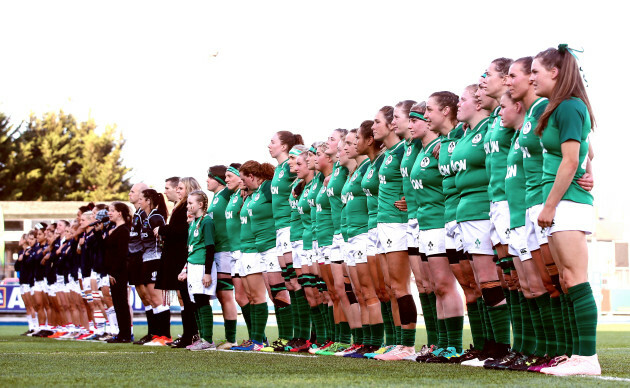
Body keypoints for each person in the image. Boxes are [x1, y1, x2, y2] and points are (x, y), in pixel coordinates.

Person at [531, 45, 600, 376]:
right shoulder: (559, 107)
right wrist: (590, 166)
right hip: (561, 201)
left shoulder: (570, 106)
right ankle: (576, 354)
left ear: (554, 73)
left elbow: (571, 159)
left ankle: (587, 357)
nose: (532, 78)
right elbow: (584, 152)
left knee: (575, 277)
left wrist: (550, 204)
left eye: (535, 72)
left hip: (568, 203)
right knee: (566, 278)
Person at [451, 83, 512, 366]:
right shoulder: (467, 133)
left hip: (485, 208)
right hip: (469, 212)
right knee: (479, 281)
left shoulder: (493, 123)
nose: (460, 104)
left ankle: (502, 346)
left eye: (464, 99)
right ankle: (490, 344)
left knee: (495, 279)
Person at [372, 105, 417, 360]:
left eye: (378, 121)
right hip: (385, 223)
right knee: (391, 287)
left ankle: (407, 346)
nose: (374, 126)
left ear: (391, 124)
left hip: (398, 223)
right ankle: (399, 342)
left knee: (400, 286)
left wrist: (412, 198)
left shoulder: (403, 149)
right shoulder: (390, 153)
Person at [156, 177, 199, 348]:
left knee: (188, 297)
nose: (178, 190)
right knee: (183, 297)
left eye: (181, 188)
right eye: (178, 188)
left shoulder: (187, 209)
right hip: (175, 256)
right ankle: (188, 334)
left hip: (182, 256)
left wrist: (163, 229)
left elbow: (183, 231)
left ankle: (192, 334)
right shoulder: (179, 207)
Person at [179, 190, 218, 351]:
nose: (188, 206)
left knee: (202, 300)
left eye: (190, 203)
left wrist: (207, 272)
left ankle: (208, 340)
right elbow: (191, 249)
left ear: (200, 204)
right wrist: (185, 268)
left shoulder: (207, 222)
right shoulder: (193, 222)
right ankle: (201, 338)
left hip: (203, 266)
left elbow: (209, 248)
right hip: (193, 265)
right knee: (195, 302)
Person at [205, 166, 239, 349]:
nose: (207, 181)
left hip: (226, 248)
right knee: (221, 294)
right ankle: (230, 337)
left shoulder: (226, 194)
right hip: (217, 249)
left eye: (209, 177)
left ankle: (232, 338)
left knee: (226, 294)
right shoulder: (216, 198)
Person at [137, 188, 170, 346]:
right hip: (147, 260)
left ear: (148, 201)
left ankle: (165, 336)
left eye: (141, 199)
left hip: (156, 259)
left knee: (158, 299)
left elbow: (164, 240)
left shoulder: (156, 217)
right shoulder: (146, 218)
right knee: (151, 298)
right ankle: (157, 334)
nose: (139, 202)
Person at [103, 202, 133, 343]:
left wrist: (114, 272)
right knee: (117, 302)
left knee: (121, 302)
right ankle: (122, 333)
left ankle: (125, 334)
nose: (109, 213)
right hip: (113, 271)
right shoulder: (115, 229)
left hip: (119, 272)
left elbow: (122, 254)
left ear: (119, 213)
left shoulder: (123, 230)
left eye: (112, 211)